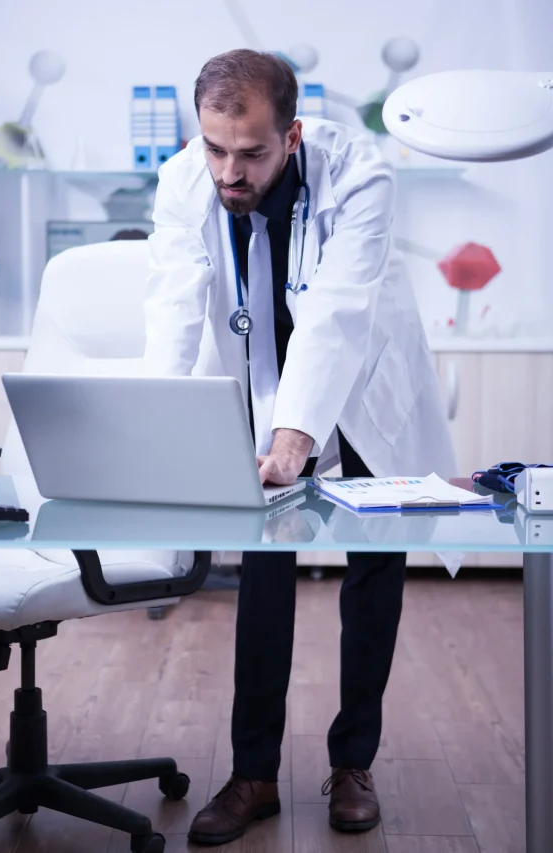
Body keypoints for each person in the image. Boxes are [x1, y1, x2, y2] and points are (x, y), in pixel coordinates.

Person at [143, 49, 456, 845]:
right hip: (261, 371)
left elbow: (338, 310)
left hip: (361, 380)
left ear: (293, 134)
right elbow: (175, 299)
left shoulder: (360, 173)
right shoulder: (186, 178)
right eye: (215, 148)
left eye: (250, 152)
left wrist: (294, 438)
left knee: (375, 561)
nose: (228, 171)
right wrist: (149, 418)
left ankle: (354, 762)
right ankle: (254, 774)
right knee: (265, 562)